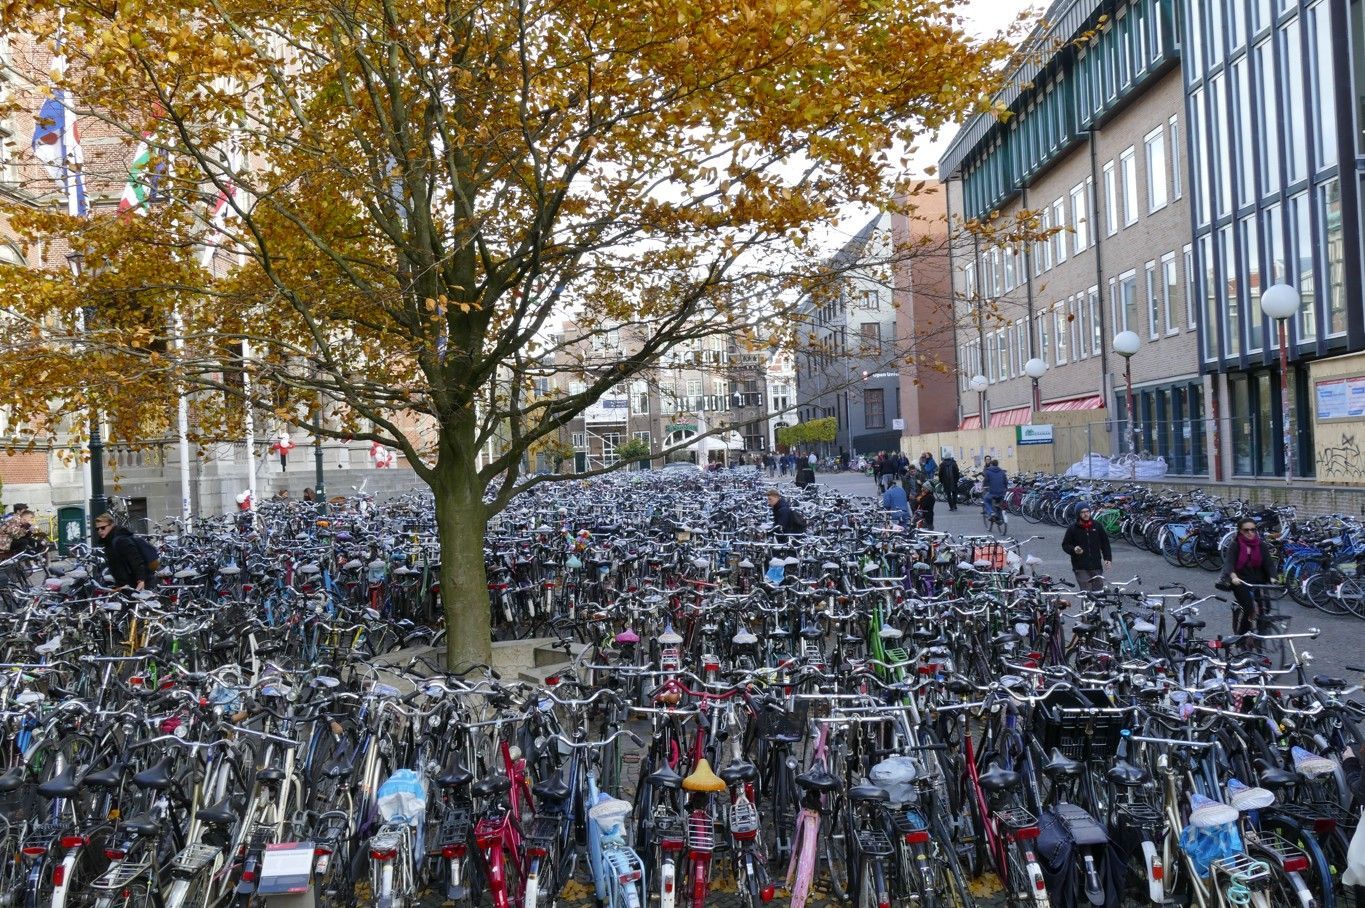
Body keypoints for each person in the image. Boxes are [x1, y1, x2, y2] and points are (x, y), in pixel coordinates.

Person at [1221, 518, 1277, 637]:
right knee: (1249, 607)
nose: (1250, 533)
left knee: (1266, 606)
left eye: (1253, 530)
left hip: (1258, 580)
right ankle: (1241, 636)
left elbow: (1269, 563)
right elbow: (1229, 564)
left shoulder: (1260, 545)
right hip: (1240, 581)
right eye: (1246, 530)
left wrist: (1273, 577)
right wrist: (1233, 577)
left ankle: (1260, 634)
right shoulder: (1235, 545)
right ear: (1240, 531)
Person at [93, 512, 158, 591]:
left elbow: (136, 560)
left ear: (111, 525)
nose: (100, 531)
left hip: (136, 584)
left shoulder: (121, 540)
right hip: (125, 585)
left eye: (103, 528)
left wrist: (141, 580)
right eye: (97, 529)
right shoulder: (109, 542)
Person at [1061, 506, 1112, 592]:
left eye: (1087, 511)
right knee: (1086, 592)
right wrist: (1074, 549)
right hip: (1080, 566)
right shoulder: (1072, 528)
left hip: (1096, 565)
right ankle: (1086, 605)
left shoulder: (1097, 526)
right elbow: (1065, 545)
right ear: (1078, 514)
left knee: (1098, 592)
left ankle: (1097, 605)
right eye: (1082, 512)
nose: (1086, 514)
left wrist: (1107, 558)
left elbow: (1105, 544)